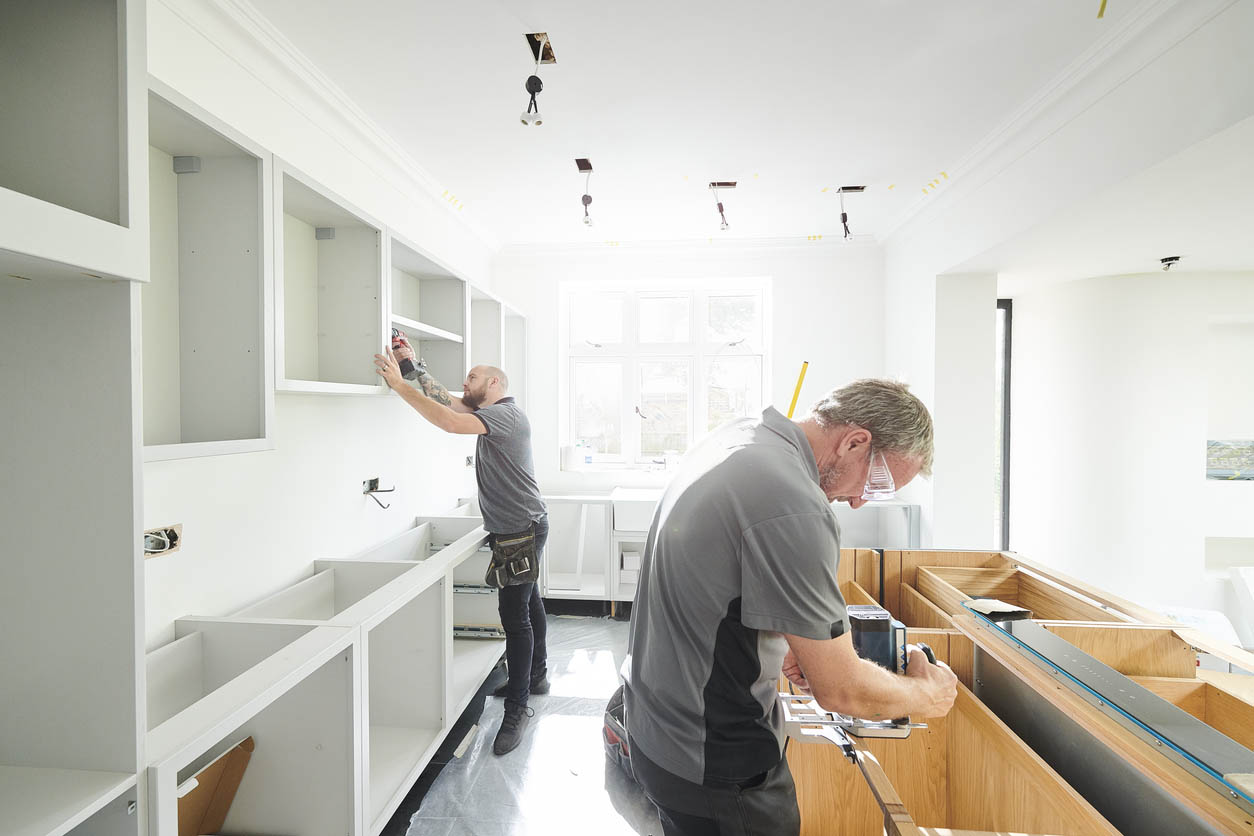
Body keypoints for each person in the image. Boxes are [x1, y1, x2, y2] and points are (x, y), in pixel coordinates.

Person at [623, 379, 958, 836]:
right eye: (875, 481)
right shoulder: (793, 504)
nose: (860, 501)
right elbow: (843, 691)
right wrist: (927, 694)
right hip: (717, 763)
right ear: (855, 441)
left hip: (656, 731)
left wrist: (792, 640)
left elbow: (718, 576)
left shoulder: (741, 436)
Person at [374, 349, 549, 756]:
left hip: (520, 531)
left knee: (515, 617)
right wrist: (415, 367)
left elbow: (451, 421)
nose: (464, 384)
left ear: (495, 384)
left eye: (472, 378)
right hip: (521, 525)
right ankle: (537, 675)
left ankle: (518, 708)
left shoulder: (507, 415)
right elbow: (449, 402)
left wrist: (399, 386)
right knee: (530, 600)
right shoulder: (491, 413)